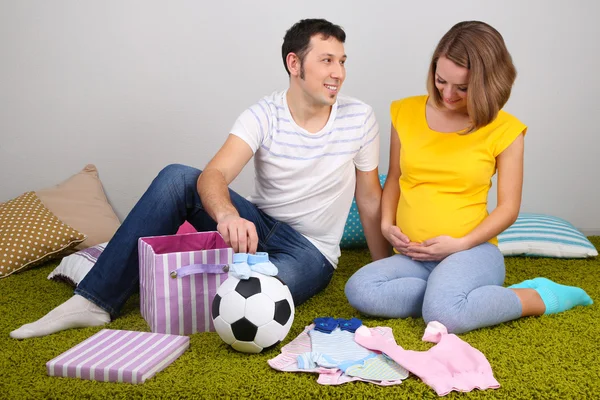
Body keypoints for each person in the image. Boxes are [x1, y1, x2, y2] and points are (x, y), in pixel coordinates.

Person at [11, 18, 389, 339]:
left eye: (341, 61)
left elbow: (369, 198)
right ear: (295, 63)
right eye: (326, 60)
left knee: (253, 302)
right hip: (259, 229)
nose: (338, 72)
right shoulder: (263, 114)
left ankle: (161, 276)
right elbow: (215, 174)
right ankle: (95, 300)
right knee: (179, 177)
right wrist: (226, 215)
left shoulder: (358, 117)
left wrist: (381, 268)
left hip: (310, 252)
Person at [345, 21, 593, 334]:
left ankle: (537, 296)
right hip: (416, 255)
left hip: (472, 252)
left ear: (486, 83)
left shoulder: (506, 130)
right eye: (440, 80)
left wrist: (460, 244)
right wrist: (386, 225)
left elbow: (508, 209)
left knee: (446, 316)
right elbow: (394, 177)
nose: (447, 94)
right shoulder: (404, 113)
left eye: (462, 88)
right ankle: (447, 293)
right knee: (360, 289)